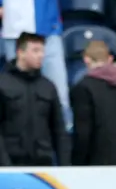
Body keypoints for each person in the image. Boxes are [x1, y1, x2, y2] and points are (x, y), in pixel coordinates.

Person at [0, 32, 70, 166]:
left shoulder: (48, 86)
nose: (41, 55)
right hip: (10, 164)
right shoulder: (3, 84)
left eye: (42, 51)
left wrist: (65, 166)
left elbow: (59, 130)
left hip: (43, 164)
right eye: (35, 51)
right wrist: (5, 165)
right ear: (20, 52)